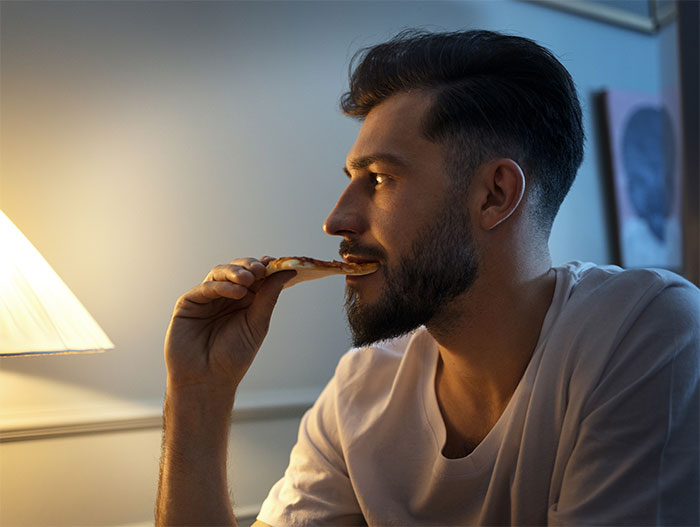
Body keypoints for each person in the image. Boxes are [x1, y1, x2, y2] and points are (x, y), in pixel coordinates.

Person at [155, 29, 700, 526]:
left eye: (379, 179)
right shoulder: (359, 388)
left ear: (494, 196)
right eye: (352, 179)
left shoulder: (645, 331)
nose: (335, 220)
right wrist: (199, 394)